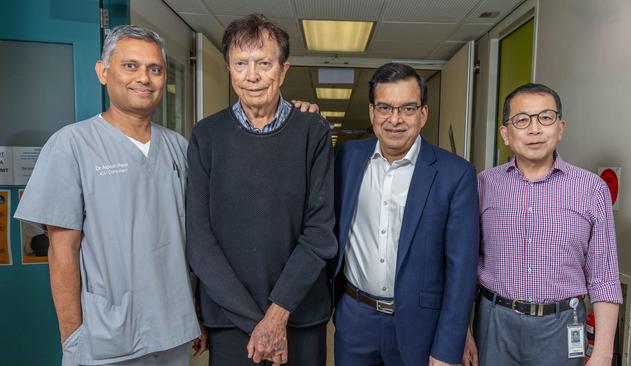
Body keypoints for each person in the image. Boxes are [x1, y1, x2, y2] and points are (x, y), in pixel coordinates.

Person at [14, 25, 204, 365]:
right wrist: (73, 336)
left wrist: (196, 314)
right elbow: (63, 249)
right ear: (103, 72)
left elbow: (195, 243)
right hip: (107, 337)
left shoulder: (180, 148)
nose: (144, 78)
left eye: (155, 69)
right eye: (130, 65)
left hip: (173, 327)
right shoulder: (72, 144)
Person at [185, 14, 337, 366]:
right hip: (229, 321)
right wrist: (258, 324)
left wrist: (277, 316)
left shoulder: (313, 133)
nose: (252, 76)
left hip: (298, 318)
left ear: (284, 70)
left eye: (264, 63)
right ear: (229, 68)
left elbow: (319, 232)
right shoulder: (206, 137)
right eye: (241, 63)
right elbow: (200, 240)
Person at [463, 83, 622, 366]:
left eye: (545, 118)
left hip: (562, 325)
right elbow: (463, 266)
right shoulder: (482, 185)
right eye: (522, 120)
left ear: (560, 127)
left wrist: (603, 353)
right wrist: (463, 333)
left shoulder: (591, 189)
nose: (535, 129)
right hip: (495, 322)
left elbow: (604, 278)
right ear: (505, 134)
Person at [331, 62, 480, 366]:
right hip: (355, 317)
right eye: (385, 107)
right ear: (372, 112)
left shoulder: (455, 174)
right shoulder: (345, 159)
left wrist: (447, 348)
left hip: (420, 326)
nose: (394, 119)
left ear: (423, 114)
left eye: (407, 109)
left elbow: (461, 271)